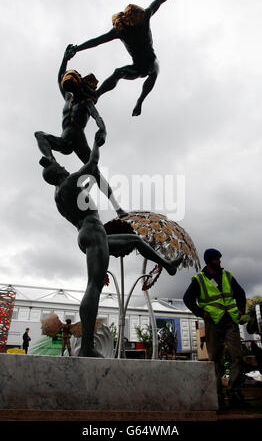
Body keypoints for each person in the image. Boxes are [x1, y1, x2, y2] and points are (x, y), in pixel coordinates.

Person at [38, 142, 183, 357]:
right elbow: (92, 163)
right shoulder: (68, 182)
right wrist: (97, 141)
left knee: (135, 240)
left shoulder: (60, 194)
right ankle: (86, 347)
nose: (65, 168)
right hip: (93, 232)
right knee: (94, 286)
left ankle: (168, 265)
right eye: (61, 168)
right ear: (58, 173)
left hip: (89, 233)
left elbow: (82, 191)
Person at [69, 0, 193, 116]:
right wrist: (77, 48)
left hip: (151, 60)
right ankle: (97, 94)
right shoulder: (120, 31)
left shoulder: (145, 16)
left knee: (154, 71)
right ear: (128, 23)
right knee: (118, 72)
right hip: (137, 67)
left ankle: (140, 101)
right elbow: (97, 41)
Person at [34, 45, 126, 218]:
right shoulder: (68, 98)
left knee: (95, 172)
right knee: (40, 135)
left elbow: (98, 117)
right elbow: (59, 78)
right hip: (64, 140)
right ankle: (50, 159)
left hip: (77, 139)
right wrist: (65, 58)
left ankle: (117, 208)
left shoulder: (85, 103)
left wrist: (103, 131)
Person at [183, 248, 248, 409]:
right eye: (217, 259)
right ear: (210, 260)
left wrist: (241, 310)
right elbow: (187, 299)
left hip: (230, 321)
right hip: (213, 323)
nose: (220, 261)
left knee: (237, 356)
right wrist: (200, 313)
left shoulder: (227, 276)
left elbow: (241, 293)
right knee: (215, 360)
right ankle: (217, 396)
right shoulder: (199, 279)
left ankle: (234, 393)